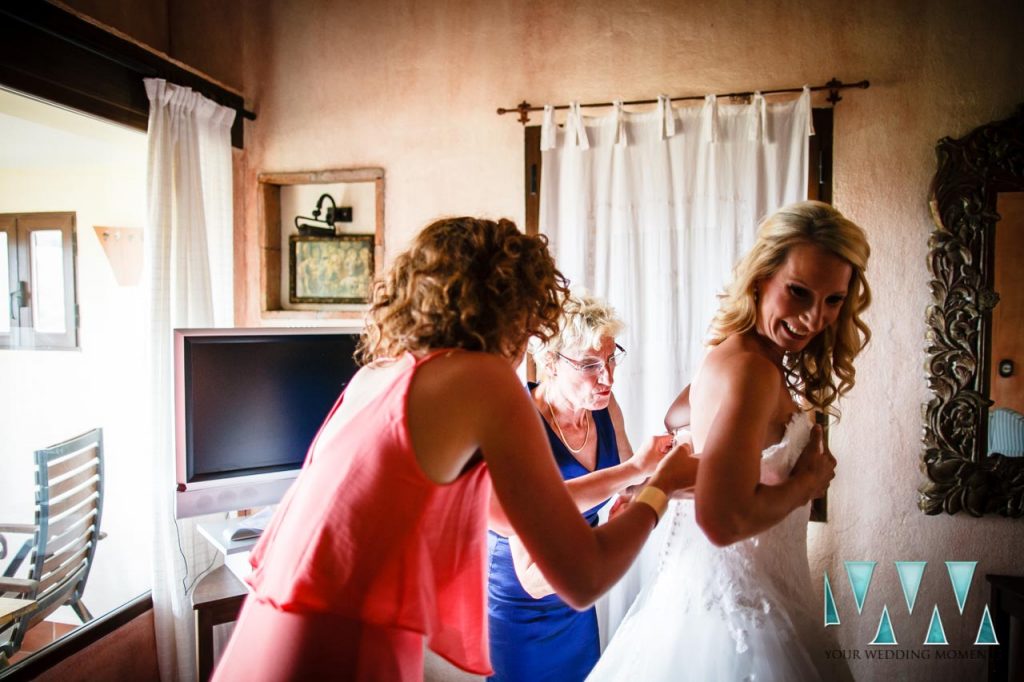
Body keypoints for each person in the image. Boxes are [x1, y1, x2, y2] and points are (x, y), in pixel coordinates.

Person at [211, 217, 698, 682]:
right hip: (347, 638)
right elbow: (583, 575)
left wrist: (637, 476)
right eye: (530, 321)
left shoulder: (380, 374)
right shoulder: (486, 380)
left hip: (270, 630)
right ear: (509, 310)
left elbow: (516, 513)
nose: (529, 339)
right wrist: (662, 488)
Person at [588, 200, 870, 681]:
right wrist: (808, 481)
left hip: (734, 599)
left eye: (833, 300)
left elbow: (682, 415)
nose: (813, 318)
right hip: (741, 621)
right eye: (798, 292)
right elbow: (721, 522)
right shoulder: (753, 371)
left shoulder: (735, 355)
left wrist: (696, 462)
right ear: (761, 279)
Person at [486, 293, 676, 681]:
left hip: (576, 599)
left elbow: (628, 483)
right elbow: (535, 580)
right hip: (524, 605)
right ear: (551, 363)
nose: (607, 377)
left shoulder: (603, 406)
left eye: (610, 359)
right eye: (590, 364)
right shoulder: (519, 424)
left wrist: (671, 462)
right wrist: (610, 537)